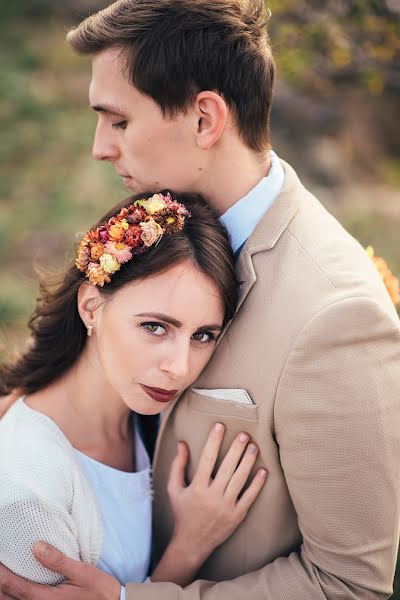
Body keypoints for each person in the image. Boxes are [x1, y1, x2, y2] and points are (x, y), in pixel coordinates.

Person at [0, 0, 400, 599]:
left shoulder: (336, 313)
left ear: (205, 119)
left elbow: (349, 581)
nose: (100, 148)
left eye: (119, 121)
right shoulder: (167, 220)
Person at [0, 191, 267, 594]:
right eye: (155, 327)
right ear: (91, 307)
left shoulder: (151, 419)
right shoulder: (25, 493)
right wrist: (189, 546)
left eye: (203, 335)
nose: (179, 367)